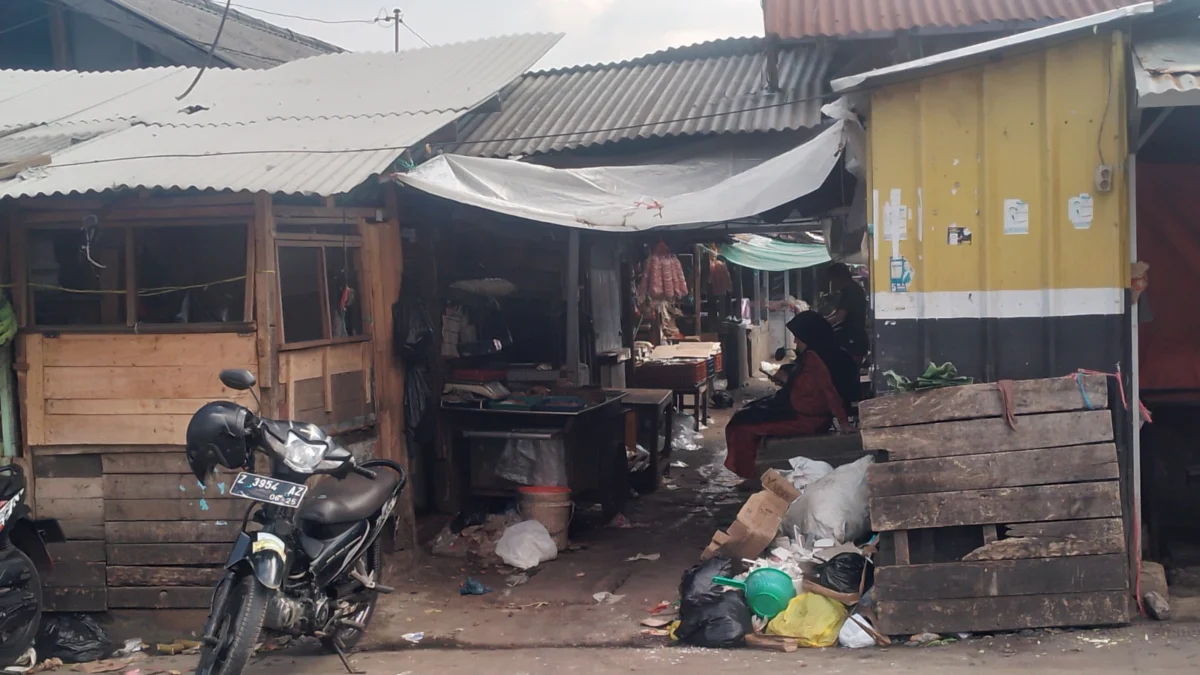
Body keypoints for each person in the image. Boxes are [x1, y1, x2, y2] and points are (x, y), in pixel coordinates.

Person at [723, 312, 858, 482]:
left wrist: (844, 423)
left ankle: (751, 477)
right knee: (748, 412)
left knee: (742, 425)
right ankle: (752, 472)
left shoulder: (815, 358)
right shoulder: (818, 354)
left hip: (805, 419)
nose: (795, 342)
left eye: (798, 338)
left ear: (808, 337)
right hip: (798, 409)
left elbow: (829, 391)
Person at [825, 263, 869, 363]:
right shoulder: (853, 289)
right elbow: (837, 313)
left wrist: (822, 323)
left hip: (852, 340)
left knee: (849, 372)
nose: (833, 284)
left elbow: (839, 317)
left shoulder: (850, 292)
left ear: (839, 278)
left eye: (832, 280)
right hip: (855, 339)